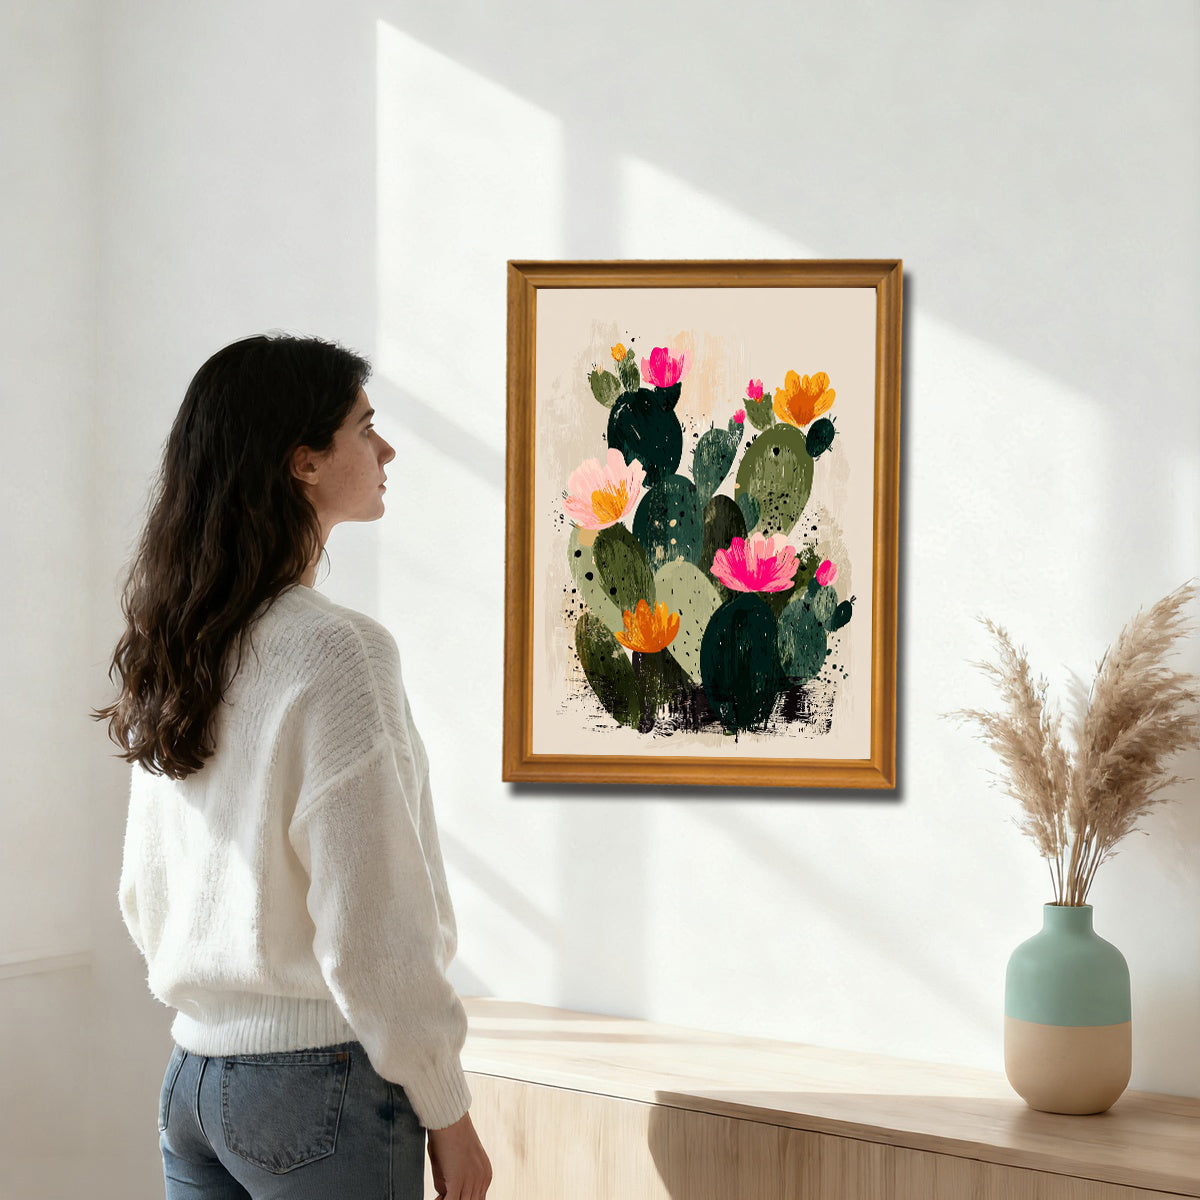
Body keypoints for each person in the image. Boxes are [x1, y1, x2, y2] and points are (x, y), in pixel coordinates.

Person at [92, 333, 492, 1200]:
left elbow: (141, 890)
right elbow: (375, 917)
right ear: (305, 462)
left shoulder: (183, 646)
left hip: (192, 1082)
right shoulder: (338, 652)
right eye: (365, 428)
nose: (386, 451)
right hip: (321, 1087)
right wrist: (449, 1110)